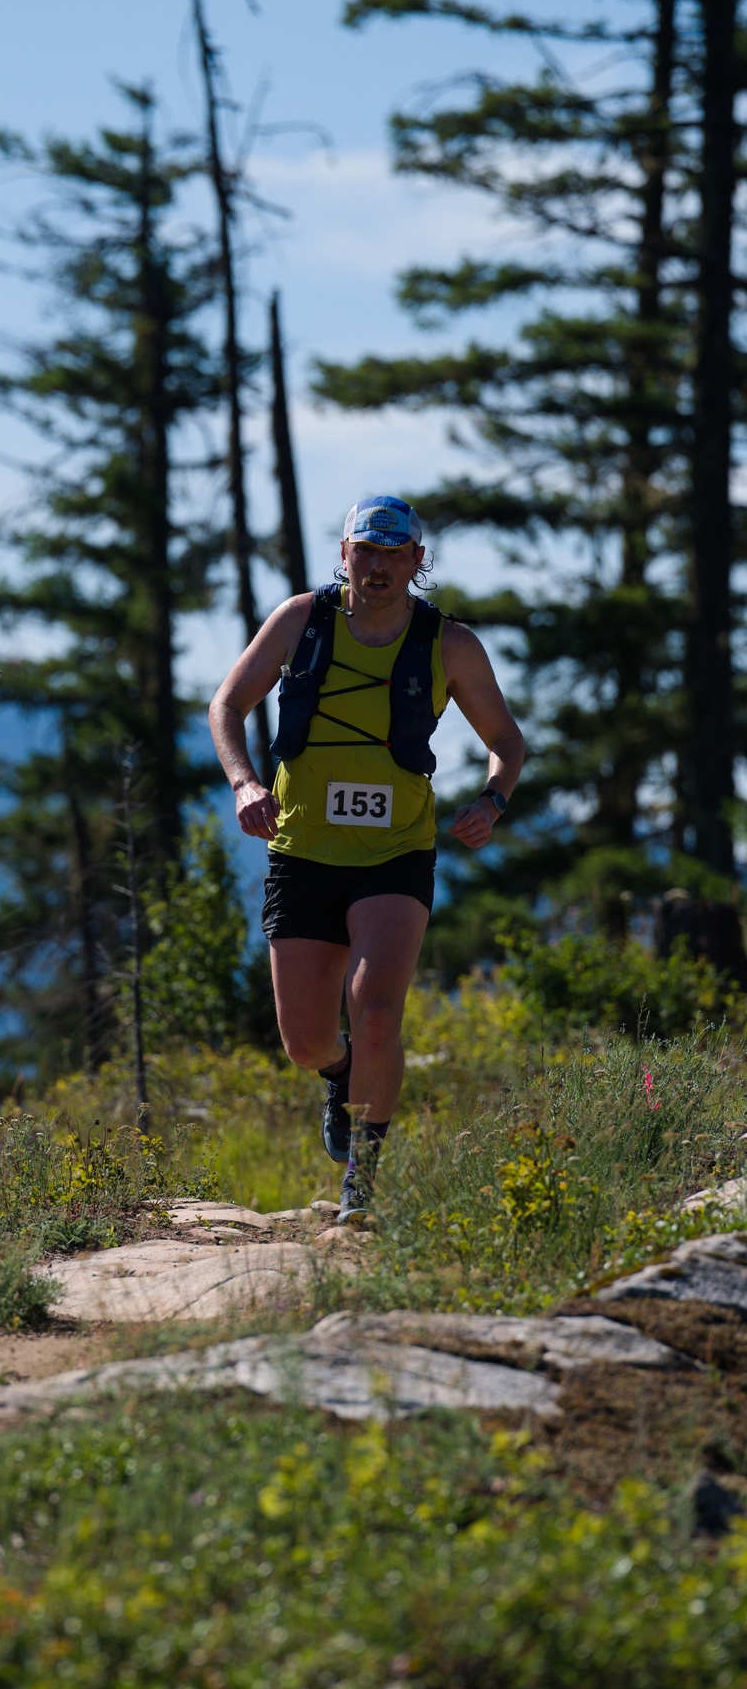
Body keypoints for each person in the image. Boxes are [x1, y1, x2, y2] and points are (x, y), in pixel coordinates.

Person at [209, 495, 523, 1223]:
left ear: (418, 563)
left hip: (396, 852)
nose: (379, 566)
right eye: (366, 551)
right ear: (344, 554)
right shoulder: (300, 621)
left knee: (376, 1008)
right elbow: (228, 705)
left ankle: (364, 1176)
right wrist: (245, 780)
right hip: (302, 851)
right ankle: (339, 1071)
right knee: (305, 1040)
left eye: (394, 553)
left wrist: (492, 800)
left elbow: (506, 740)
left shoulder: (449, 645)